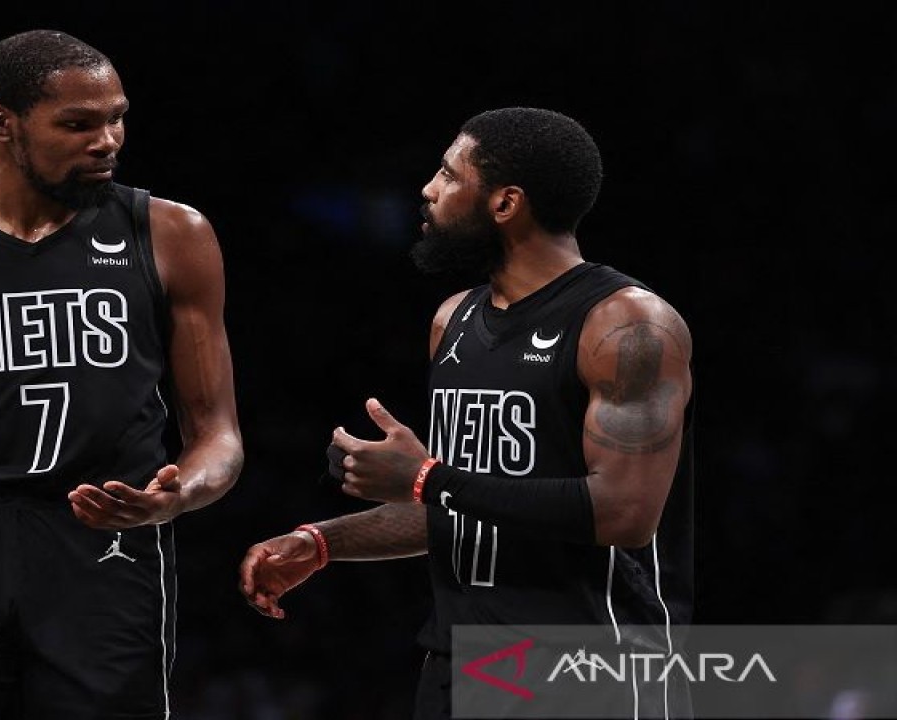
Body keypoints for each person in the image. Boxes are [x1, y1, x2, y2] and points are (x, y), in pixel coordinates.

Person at [239, 107, 694, 719]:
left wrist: (427, 479)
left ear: (505, 204)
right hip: (464, 666)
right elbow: (463, 507)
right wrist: (322, 542)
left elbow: (624, 513)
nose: (428, 189)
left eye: (450, 176)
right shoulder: (452, 320)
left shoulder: (626, 324)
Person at [0, 29, 244, 719]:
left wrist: (179, 497)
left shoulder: (174, 233)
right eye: (79, 124)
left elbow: (218, 435)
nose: (109, 140)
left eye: (118, 117)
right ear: (1, 122)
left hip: (101, 547)